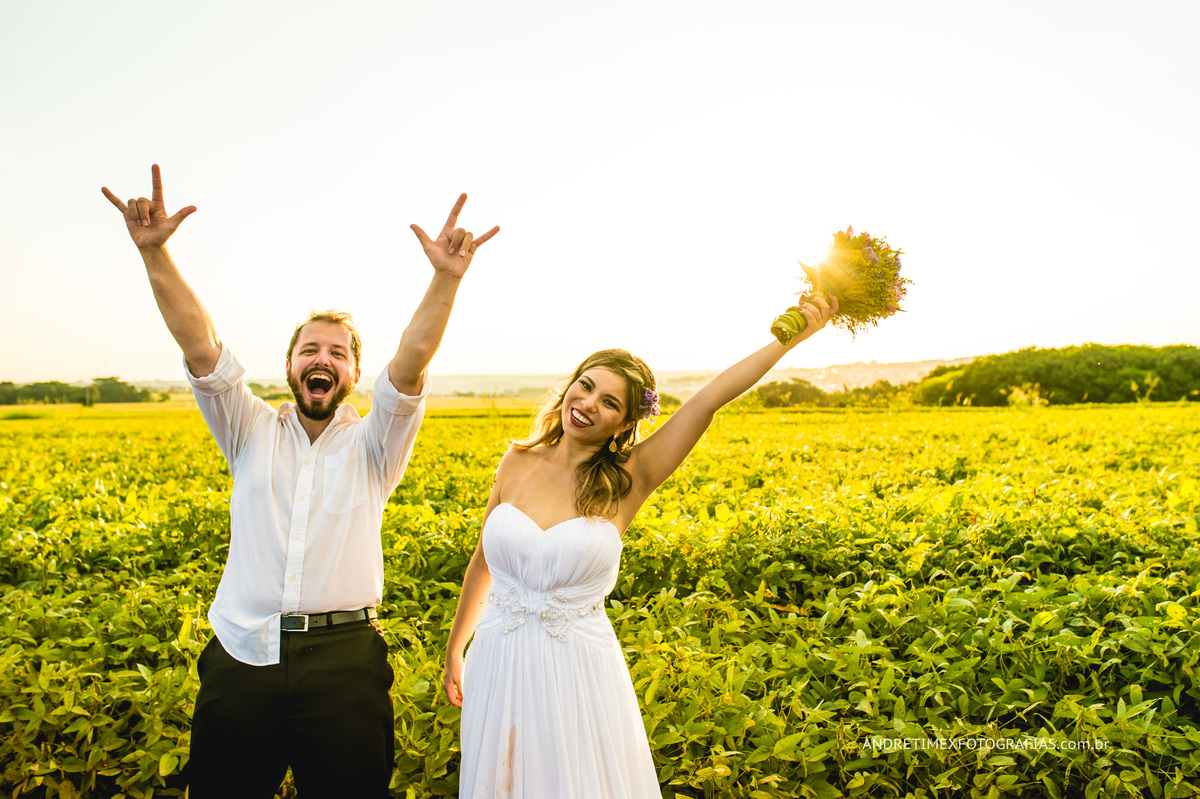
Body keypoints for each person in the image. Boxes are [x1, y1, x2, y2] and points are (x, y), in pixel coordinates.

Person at [102, 164, 498, 798]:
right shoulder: (247, 427)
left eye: (338, 353)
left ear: (354, 373)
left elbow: (413, 359)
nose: (323, 359)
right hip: (242, 656)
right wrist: (156, 253)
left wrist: (445, 279)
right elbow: (199, 342)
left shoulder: (376, 445)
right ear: (290, 365)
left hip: (346, 662)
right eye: (311, 349)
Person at [442, 295, 838, 797]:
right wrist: (457, 646)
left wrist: (792, 335)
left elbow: (708, 399)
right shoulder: (516, 461)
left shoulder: (630, 478)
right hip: (497, 654)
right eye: (585, 387)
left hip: (578, 669)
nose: (588, 405)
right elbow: (483, 561)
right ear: (569, 387)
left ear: (626, 423)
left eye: (610, 403)